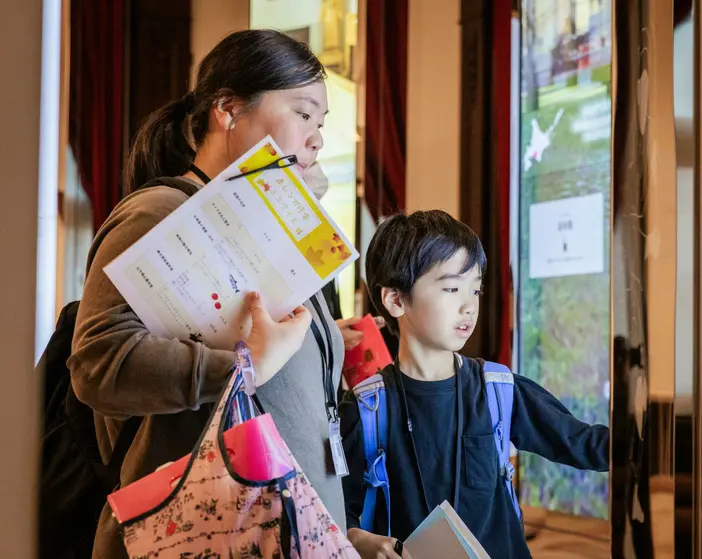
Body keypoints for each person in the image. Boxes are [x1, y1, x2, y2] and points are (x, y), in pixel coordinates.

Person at [69, 30, 349, 558]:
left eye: (321, 123)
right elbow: (98, 363)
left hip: (289, 533)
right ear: (228, 110)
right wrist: (244, 367)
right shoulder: (159, 212)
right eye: (303, 113)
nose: (316, 139)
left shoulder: (265, 232)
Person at [340, 211, 610, 558]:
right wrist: (358, 539)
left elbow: (583, 444)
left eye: (476, 289)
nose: (469, 306)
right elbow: (335, 514)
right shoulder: (367, 410)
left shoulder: (498, 389)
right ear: (396, 300)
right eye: (452, 288)